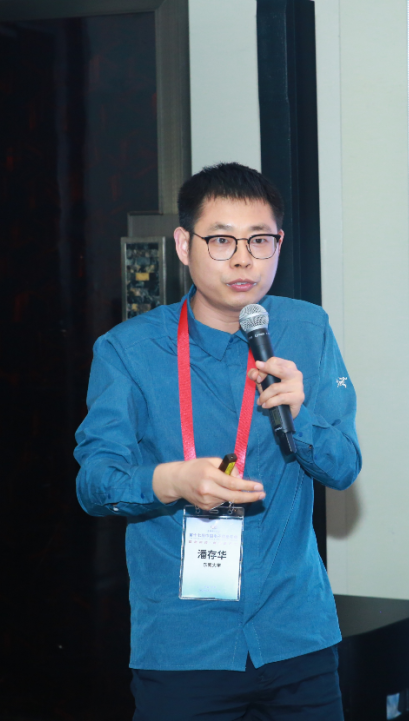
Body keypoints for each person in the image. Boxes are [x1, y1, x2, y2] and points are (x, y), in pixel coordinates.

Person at [75, 162, 361, 720]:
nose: (243, 260)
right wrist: (170, 481)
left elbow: (344, 466)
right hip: (185, 645)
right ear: (185, 245)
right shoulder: (128, 349)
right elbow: (95, 482)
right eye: (222, 240)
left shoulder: (306, 329)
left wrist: (299, 418)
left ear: (279, 244)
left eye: (260, 240)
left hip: (296, 633)